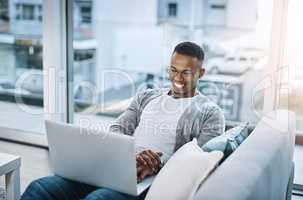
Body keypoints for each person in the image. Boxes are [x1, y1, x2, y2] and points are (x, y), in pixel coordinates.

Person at [21, 42, 225, 200]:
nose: (177, 78)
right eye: (173, 70)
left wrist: (155, 163)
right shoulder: (147, 96)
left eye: (186, 72)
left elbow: (198, 164)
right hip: (118, 167)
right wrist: (133, 157)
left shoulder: (210, 113)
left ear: (201, 73)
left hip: (153, 180)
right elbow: (117, 129)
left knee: (98, 198)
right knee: (39, 188)